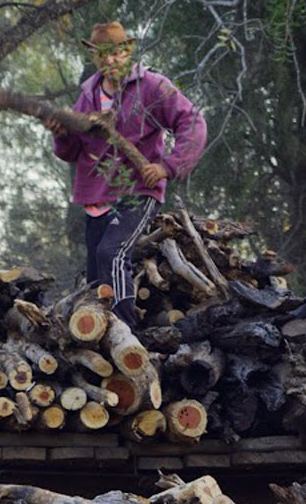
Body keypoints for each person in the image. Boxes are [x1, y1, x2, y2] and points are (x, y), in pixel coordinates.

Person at [47, 21, 207, 325]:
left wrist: (167, 166)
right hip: (96, 198)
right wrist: (62, 134)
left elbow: (193, 122)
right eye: (101, 55)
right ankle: (101, 342)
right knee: (95, 280)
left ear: (127, 51)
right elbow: (70, 151)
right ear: (94, 56)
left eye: (115, 53)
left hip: (137, 191)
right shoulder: (88, 95)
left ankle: (126, 334)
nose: (109, 61)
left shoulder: (153, 86)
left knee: (112, 254)